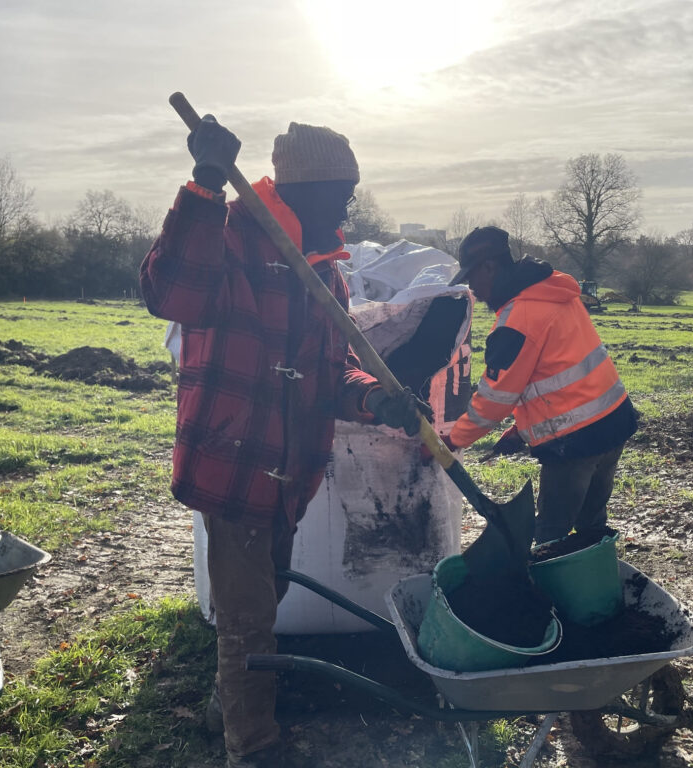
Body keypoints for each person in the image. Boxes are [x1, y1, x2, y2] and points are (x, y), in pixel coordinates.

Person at [140, 116, 423, 768]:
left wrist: (374, 396)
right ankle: (254, 747)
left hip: (290, 471)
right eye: (343, 190)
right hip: (234, 465)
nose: (350, 204)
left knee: (266, 597)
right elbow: (169, 290)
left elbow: (330, 369)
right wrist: (205, 183)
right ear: (308, 188)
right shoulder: (231, 235)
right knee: (247, 621)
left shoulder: (327, 273)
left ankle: (229, 704)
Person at [443, 226, 638, 545]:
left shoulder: (516, 319)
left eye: (471, 277)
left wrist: (452, 439)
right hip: (614, 420)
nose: (471, 288)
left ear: (490, 267)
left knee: (551, 534)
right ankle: (598, 586)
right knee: (592, 524)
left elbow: (495, 400)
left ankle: (552, 593)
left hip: (575, 442)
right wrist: (523, 427)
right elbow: (555, 368)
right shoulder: (551, 291)